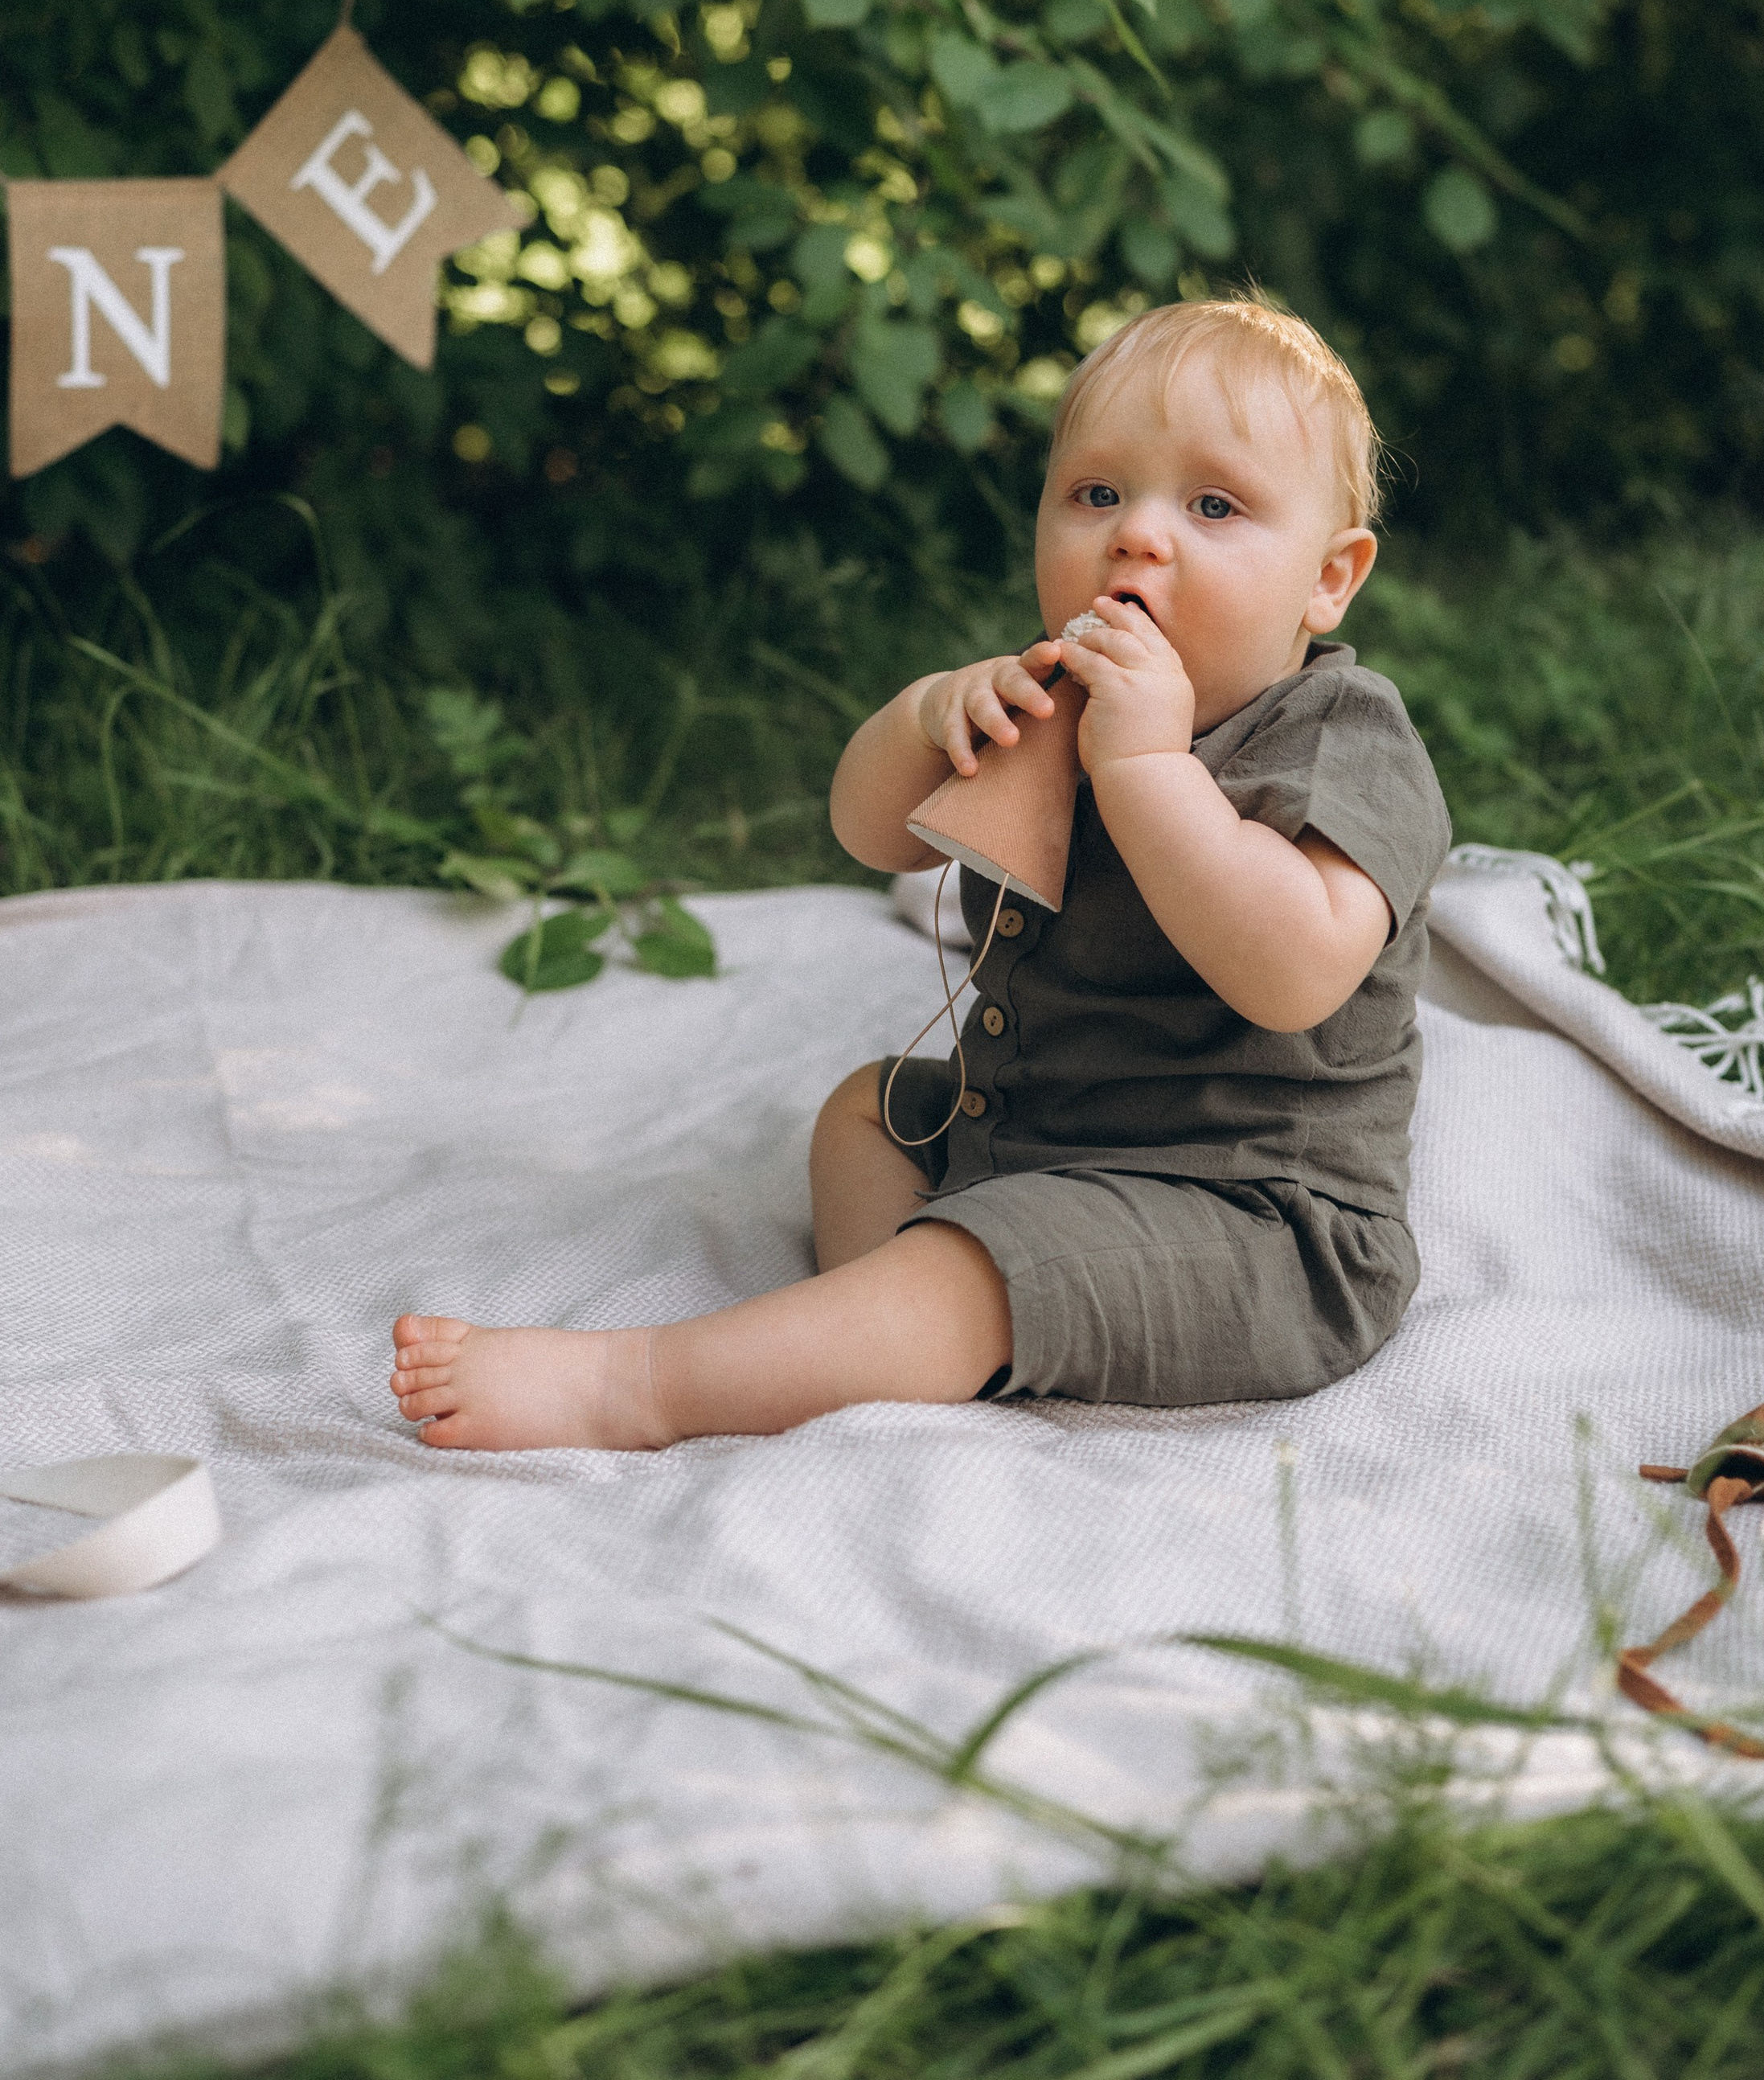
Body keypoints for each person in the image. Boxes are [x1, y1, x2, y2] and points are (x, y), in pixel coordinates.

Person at [389, 289, 1450, 1450]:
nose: (1139, 534)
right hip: (1040, 1139)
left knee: (969, 1271)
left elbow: (1292, 973)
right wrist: (926, 718)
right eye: (1096, 493)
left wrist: (1145, 765)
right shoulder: (1052, 702)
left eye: (1213, 504)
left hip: (1250, 1220)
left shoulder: (1339, 735)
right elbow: (870, 834)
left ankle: (641, 1385)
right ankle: (877, 1335)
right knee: (870, 1113)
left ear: (1329, 579)